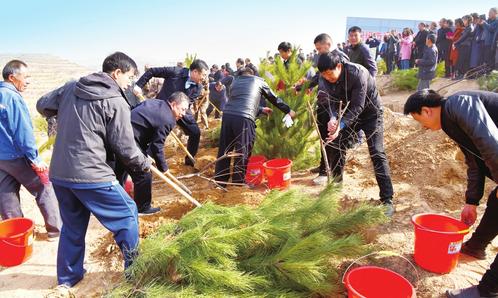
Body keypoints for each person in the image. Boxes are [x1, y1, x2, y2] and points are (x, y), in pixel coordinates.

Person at [37, 52, 151, 289]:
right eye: (129, 77)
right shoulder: (115, 100)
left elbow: (42, 104)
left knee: (73, 225)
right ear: (117, 73)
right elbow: (125, 147)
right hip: (91, 175)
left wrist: (59, 115)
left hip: (60, 174)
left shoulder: (71, 87)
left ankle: (68, 278)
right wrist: (144, 163)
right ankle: (135, 274)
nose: (130, 83)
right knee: (128, 214)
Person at [403, 89, 498, 298]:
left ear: (427, 111)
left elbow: (490, 143)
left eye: (420, 121)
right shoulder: (452, 118)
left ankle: (488, 290)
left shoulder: (459, 104)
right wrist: (471, 202)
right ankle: (476, 246)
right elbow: (474, 161)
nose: (423, 127)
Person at [314, 53, 394, 216]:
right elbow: (331, 101)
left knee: (377, 152)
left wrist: (341, 125)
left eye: (330, 74)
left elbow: (358, 106)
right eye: (324, 76)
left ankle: (387, 200)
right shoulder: (326, 79)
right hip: (349, 114)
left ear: (339, 66)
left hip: (371, 114)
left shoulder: (357, 73)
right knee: (335, 144)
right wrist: (333, 118)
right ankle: (336, 187)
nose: (328, 78)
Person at [0, 60, 61, 239]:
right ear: (12, 77)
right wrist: (35, 159)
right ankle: (55, 230)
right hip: (17, 156)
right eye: (25, 77)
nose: (28, 81)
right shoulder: (12, 97)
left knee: (6, 194)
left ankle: (17, 235)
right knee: (44, 187)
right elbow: (22, 131)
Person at [214, 68, 295, 186]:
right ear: (252, 74)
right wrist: (288, 110)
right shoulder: (259, 81)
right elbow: (274, 98)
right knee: (243, 150)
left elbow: (240, 102)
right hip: (244, 119)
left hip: (228, 116)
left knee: (225, 149)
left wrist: (261, 109)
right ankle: (238, 183)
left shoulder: (235, 82)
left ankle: (220, 182)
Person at [115, 92, 189, 215]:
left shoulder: (155, 102)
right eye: (183, 109)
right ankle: (143, 208)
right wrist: (163, 168)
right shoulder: (168, 119)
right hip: (129, 142)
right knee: (144, 173)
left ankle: (117, 205)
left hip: (119, 134)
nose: (183, 114)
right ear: (174, 104)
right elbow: (157, 146)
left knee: (120, 172)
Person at [133, 59, 209, 167]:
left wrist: (176, 117)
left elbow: (189, 102)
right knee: (155, 136)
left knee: (195, 132)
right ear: (195, 72)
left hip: (182, 111)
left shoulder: (198, 87)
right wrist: (138, 85)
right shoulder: (176, 72)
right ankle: (146, 162)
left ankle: (189, 162)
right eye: (204, 75)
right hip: (162, 108)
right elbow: (152, 71)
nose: (204, 78)